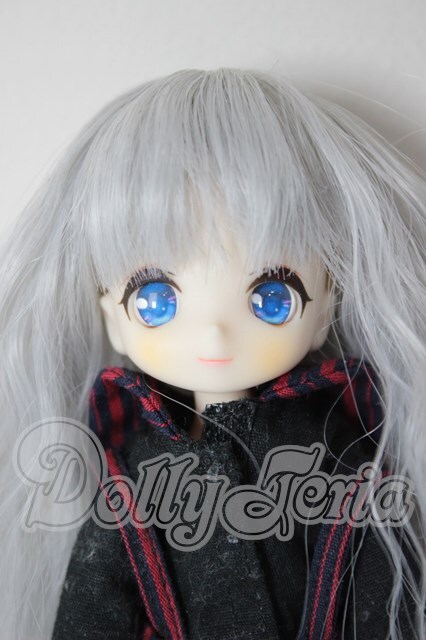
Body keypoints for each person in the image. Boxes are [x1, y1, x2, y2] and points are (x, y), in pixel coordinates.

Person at [0, 69, 424, 639]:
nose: (215, 337)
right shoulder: (130, 476)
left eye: (271, 298)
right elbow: (94, 610)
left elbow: (384, 596)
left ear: (324, 309)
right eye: (156, 300)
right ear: (114, 321)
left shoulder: (338, 453)